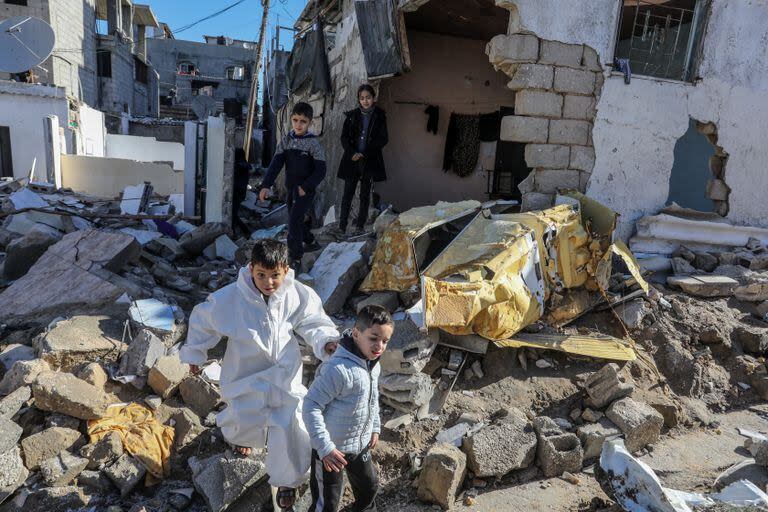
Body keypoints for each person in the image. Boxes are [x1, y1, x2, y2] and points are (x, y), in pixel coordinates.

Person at [180, 239, 340, 511]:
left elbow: (313, 320)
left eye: (275, 275)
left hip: (283, 375)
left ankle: (287, 480)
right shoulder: (231, 297)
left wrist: (326, 340)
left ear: (286, 271)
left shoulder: (296, 294)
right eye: (261, 275)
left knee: (290, 423)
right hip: (246, 373)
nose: (268, 282)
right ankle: (243, 440)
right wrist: (195, 352)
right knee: (244, 416)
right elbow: (203, 320)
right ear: (251, 268)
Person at [303, 305, 394, 512]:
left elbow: (371, 399)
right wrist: (325, 448)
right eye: (373, 338)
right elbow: (310, 406)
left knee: (369, 488)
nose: (379, 346)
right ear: (356, 334)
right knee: (327, 503)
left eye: (385, 341)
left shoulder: (373, 364)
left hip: (359, 445)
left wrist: (375, 427)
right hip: (330, 452)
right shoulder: (337, 370)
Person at [259, 102, 326, 269]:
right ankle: (310, 241)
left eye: (303, 121)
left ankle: (295, 258)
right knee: (295, 219)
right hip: (291, 190)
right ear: (291, 119)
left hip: (305, 191)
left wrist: (307, 186)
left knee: (293, 221)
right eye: (295, 120)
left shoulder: (313, 144)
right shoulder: (286, 141)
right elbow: (275, 164)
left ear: (310, 123)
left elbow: (321, 170)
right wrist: (265, 185)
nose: (298, 124)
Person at [337, 84, 389, 236]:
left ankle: (359, 226)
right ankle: (342, 227)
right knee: (348, 193)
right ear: (358, 100)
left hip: (369, 160)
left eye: (368, 98)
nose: (365, 101)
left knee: (365, 194)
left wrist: (365, 153)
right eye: (362, 98)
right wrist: (351, 152)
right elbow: (344, 138)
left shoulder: (380, 116)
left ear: (373, 98)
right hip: (352, 159)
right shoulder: (352, 115)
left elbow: (383, 139)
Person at [232, 147, 251, 237]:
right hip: (240, 193)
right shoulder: (243, 165)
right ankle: (240, 232)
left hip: (237, 193)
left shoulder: (240, 166)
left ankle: (244, 231)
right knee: (233, 214)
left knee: (233, 214)